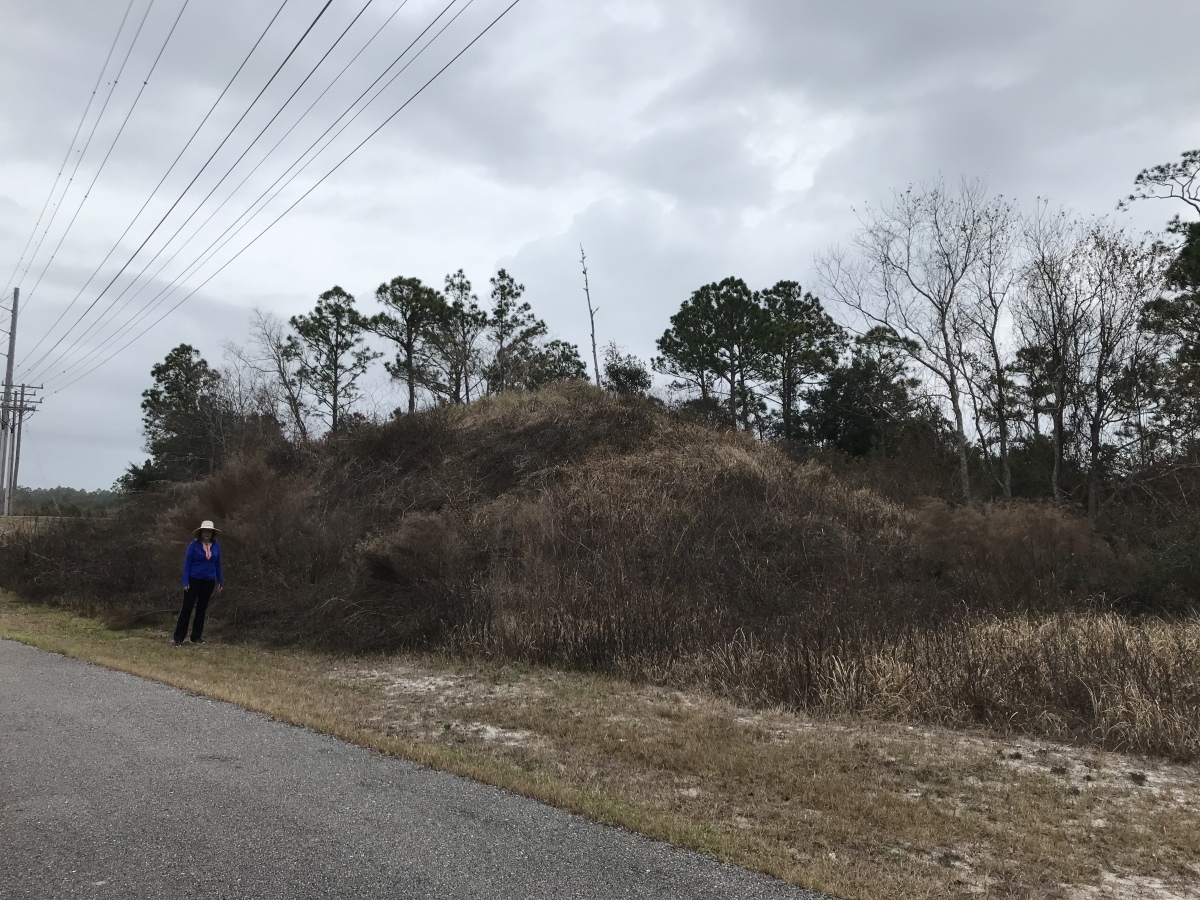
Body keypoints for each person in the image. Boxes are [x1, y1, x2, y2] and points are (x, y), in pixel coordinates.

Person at [174, 520, 224, 647]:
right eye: (205, 531)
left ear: (212, 533)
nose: (207, 533)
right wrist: (185, 581)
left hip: (209, 581)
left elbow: (217, 564)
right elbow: (187, 563)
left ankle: (196, 637)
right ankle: (178, 638)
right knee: (187, 607)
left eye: (209, 531)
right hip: (193, 579)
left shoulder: (216, 546)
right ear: (201, 532)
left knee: (202, 609)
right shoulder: (193, 545)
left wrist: (220, 580)